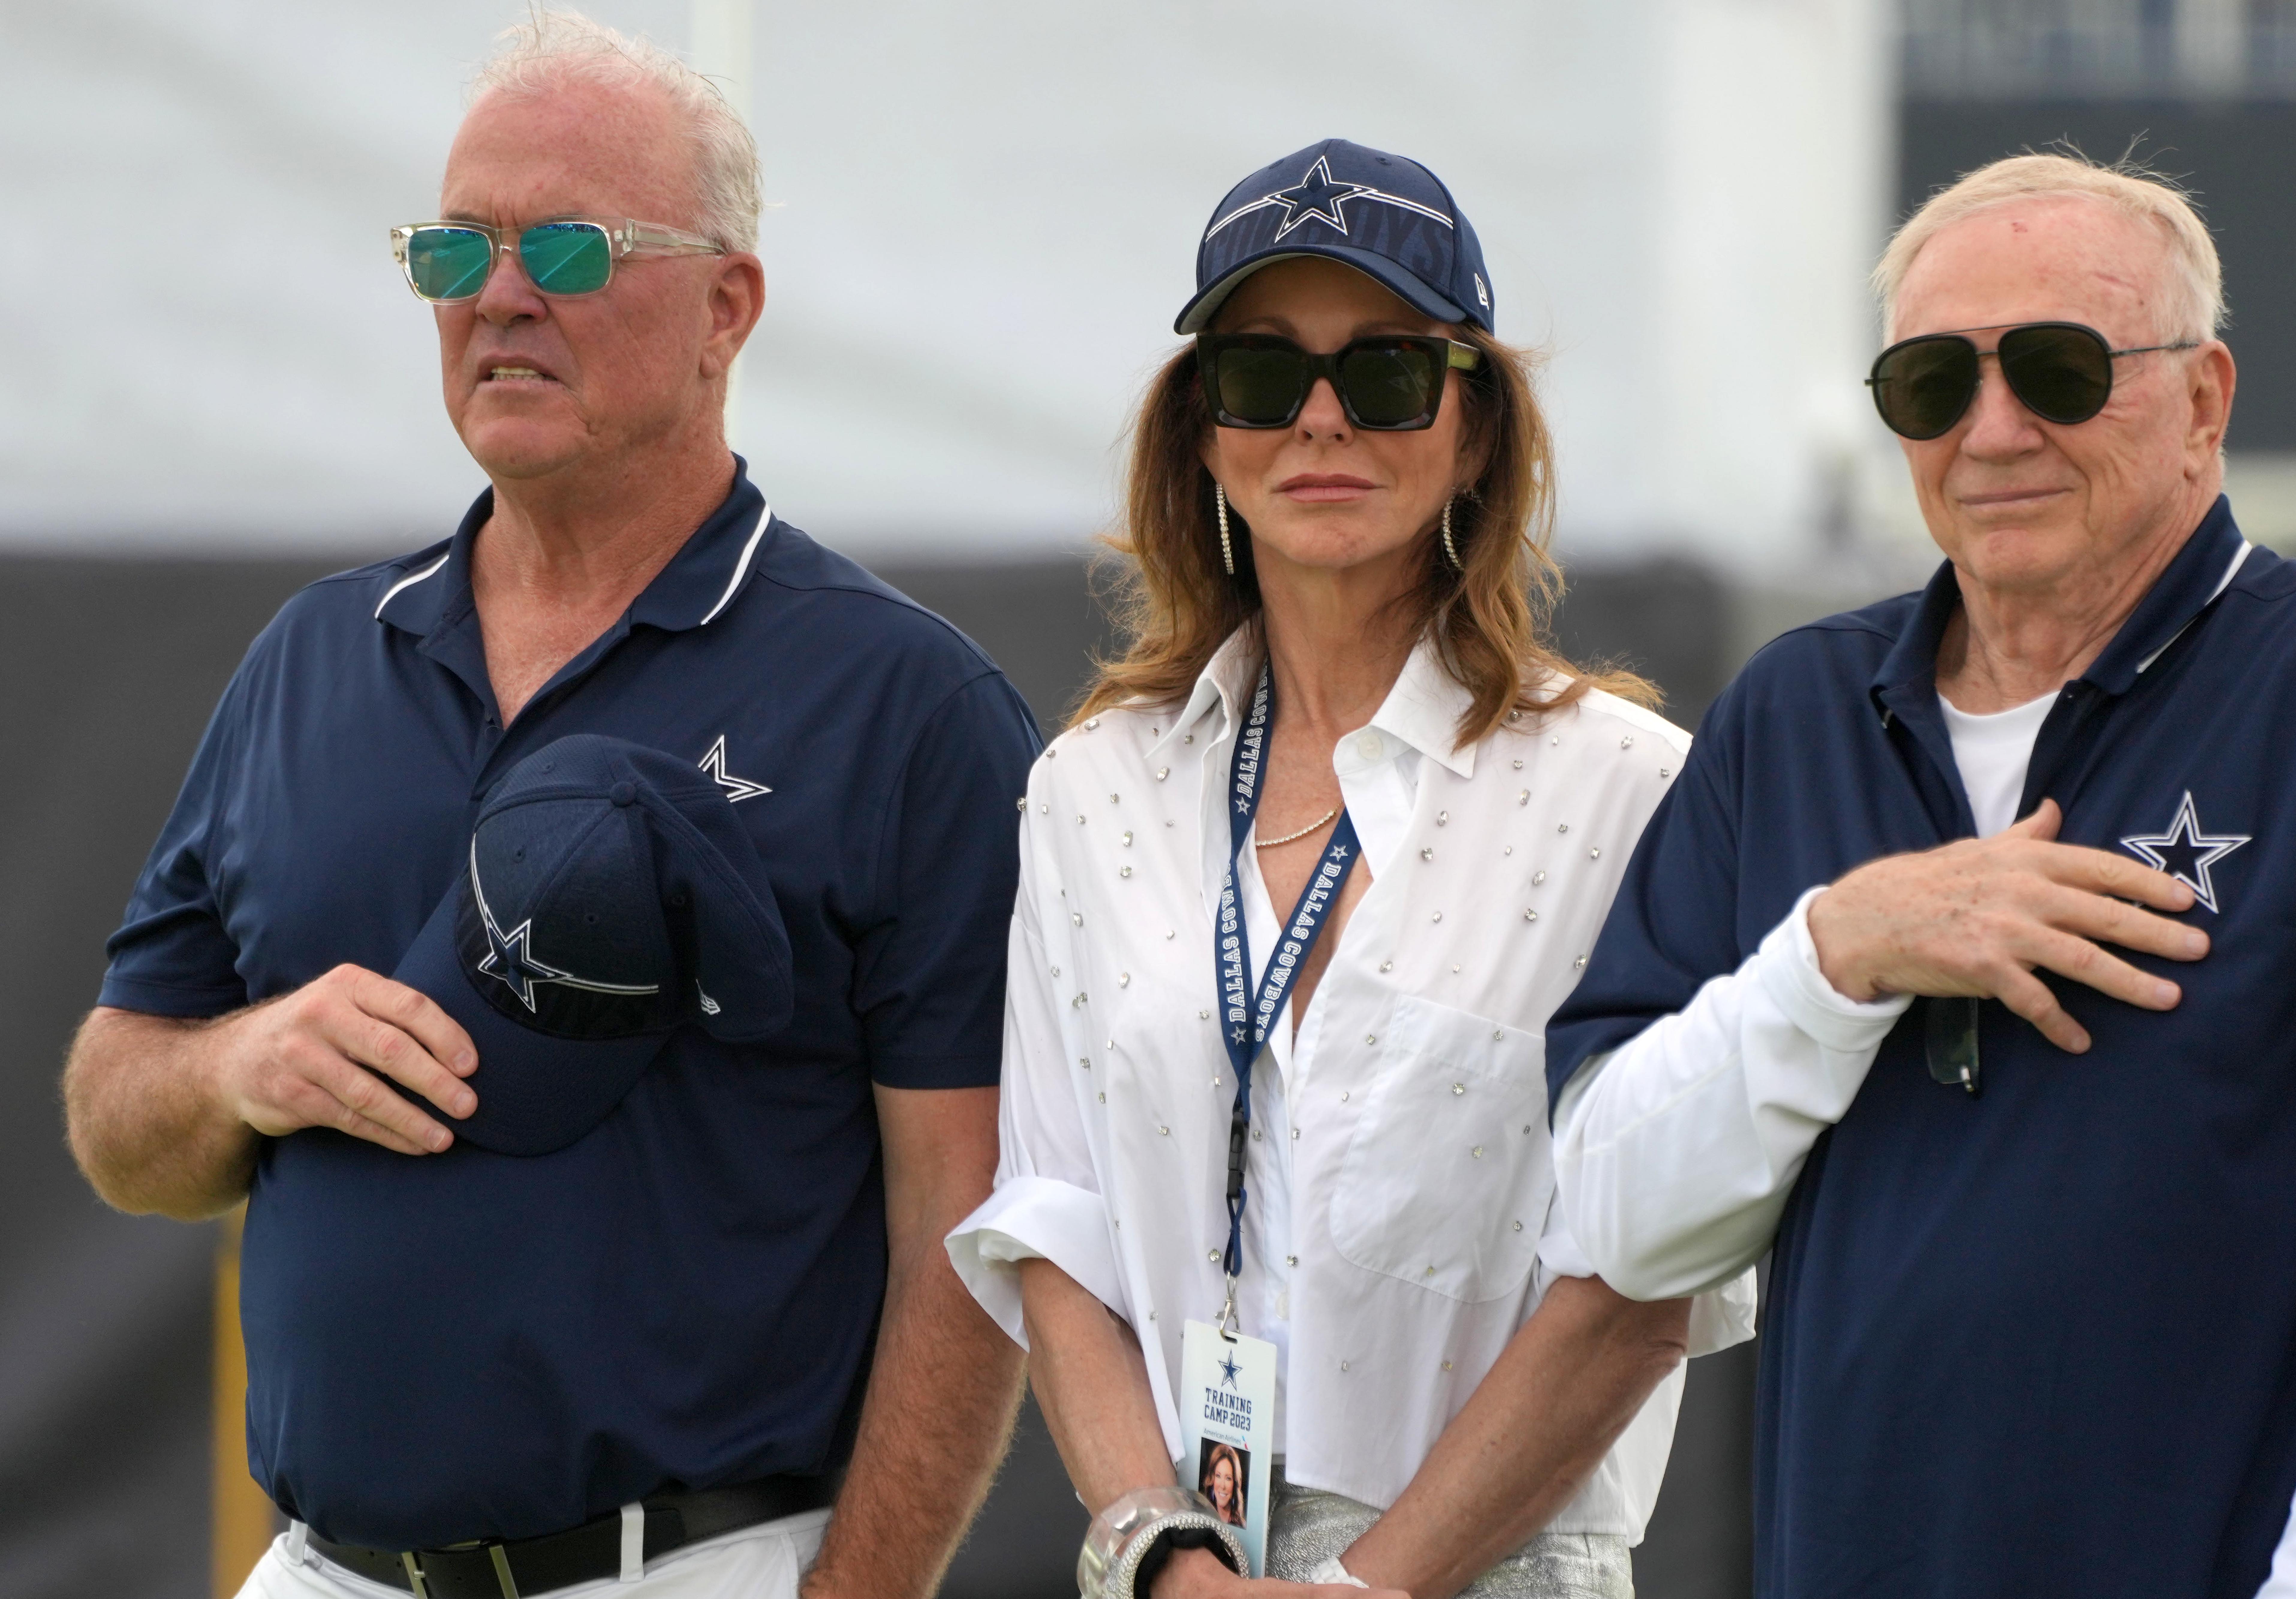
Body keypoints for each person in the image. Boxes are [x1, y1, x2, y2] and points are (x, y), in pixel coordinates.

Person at [60, 15, 1032, 1598]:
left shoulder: (904, 709)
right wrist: (243, 1061)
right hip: (320, 1571)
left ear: (730, 305)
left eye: (569, 245)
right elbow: (120, 1114)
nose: (501, 295)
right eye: (456, 249)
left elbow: (967, 1222)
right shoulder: (317, 657)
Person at [1547, 151, 2296, 1598]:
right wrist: (1838, 953)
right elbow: (1617, 1218)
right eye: (1931, 384)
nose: (1992, 428)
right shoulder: (1790, 708)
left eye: (2061, 369)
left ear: (2204, 402)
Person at [948, 139, 1753, 1599]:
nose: (1320, 419)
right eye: (1261, 374)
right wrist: (1159, 1551)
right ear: (1200, 428)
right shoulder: (1091, 790)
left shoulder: (1631, 791)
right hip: (1179, 1560)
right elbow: (1054, 1227)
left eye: (1383, 372)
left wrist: (1365, 1585)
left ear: (1475, 428)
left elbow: (1643, 1281)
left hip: (1502, 1566)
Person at [1204, 1444, 1249, 1529]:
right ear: (1212, 1479)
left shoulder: (1242, 1526)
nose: (1223, 1486)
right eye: (1218, 1476)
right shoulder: (1202, 1516)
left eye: (1228, 1478)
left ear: (1235, 1483)